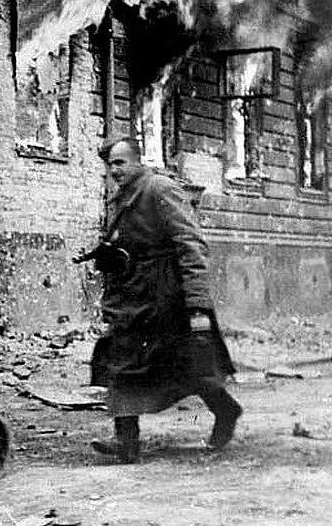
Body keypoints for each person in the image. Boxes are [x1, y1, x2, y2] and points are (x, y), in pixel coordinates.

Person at [85, 138, 241, 463]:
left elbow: (191, 244)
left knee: (190, 364)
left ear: (137, 161)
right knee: (121, 361)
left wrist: (196, 302)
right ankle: (126, 442)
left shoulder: (159, 189)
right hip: (132, 296)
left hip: (166, 298)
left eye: (120, 163)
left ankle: (226, 410)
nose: (113, 171)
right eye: (110, 165)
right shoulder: (122, 197)